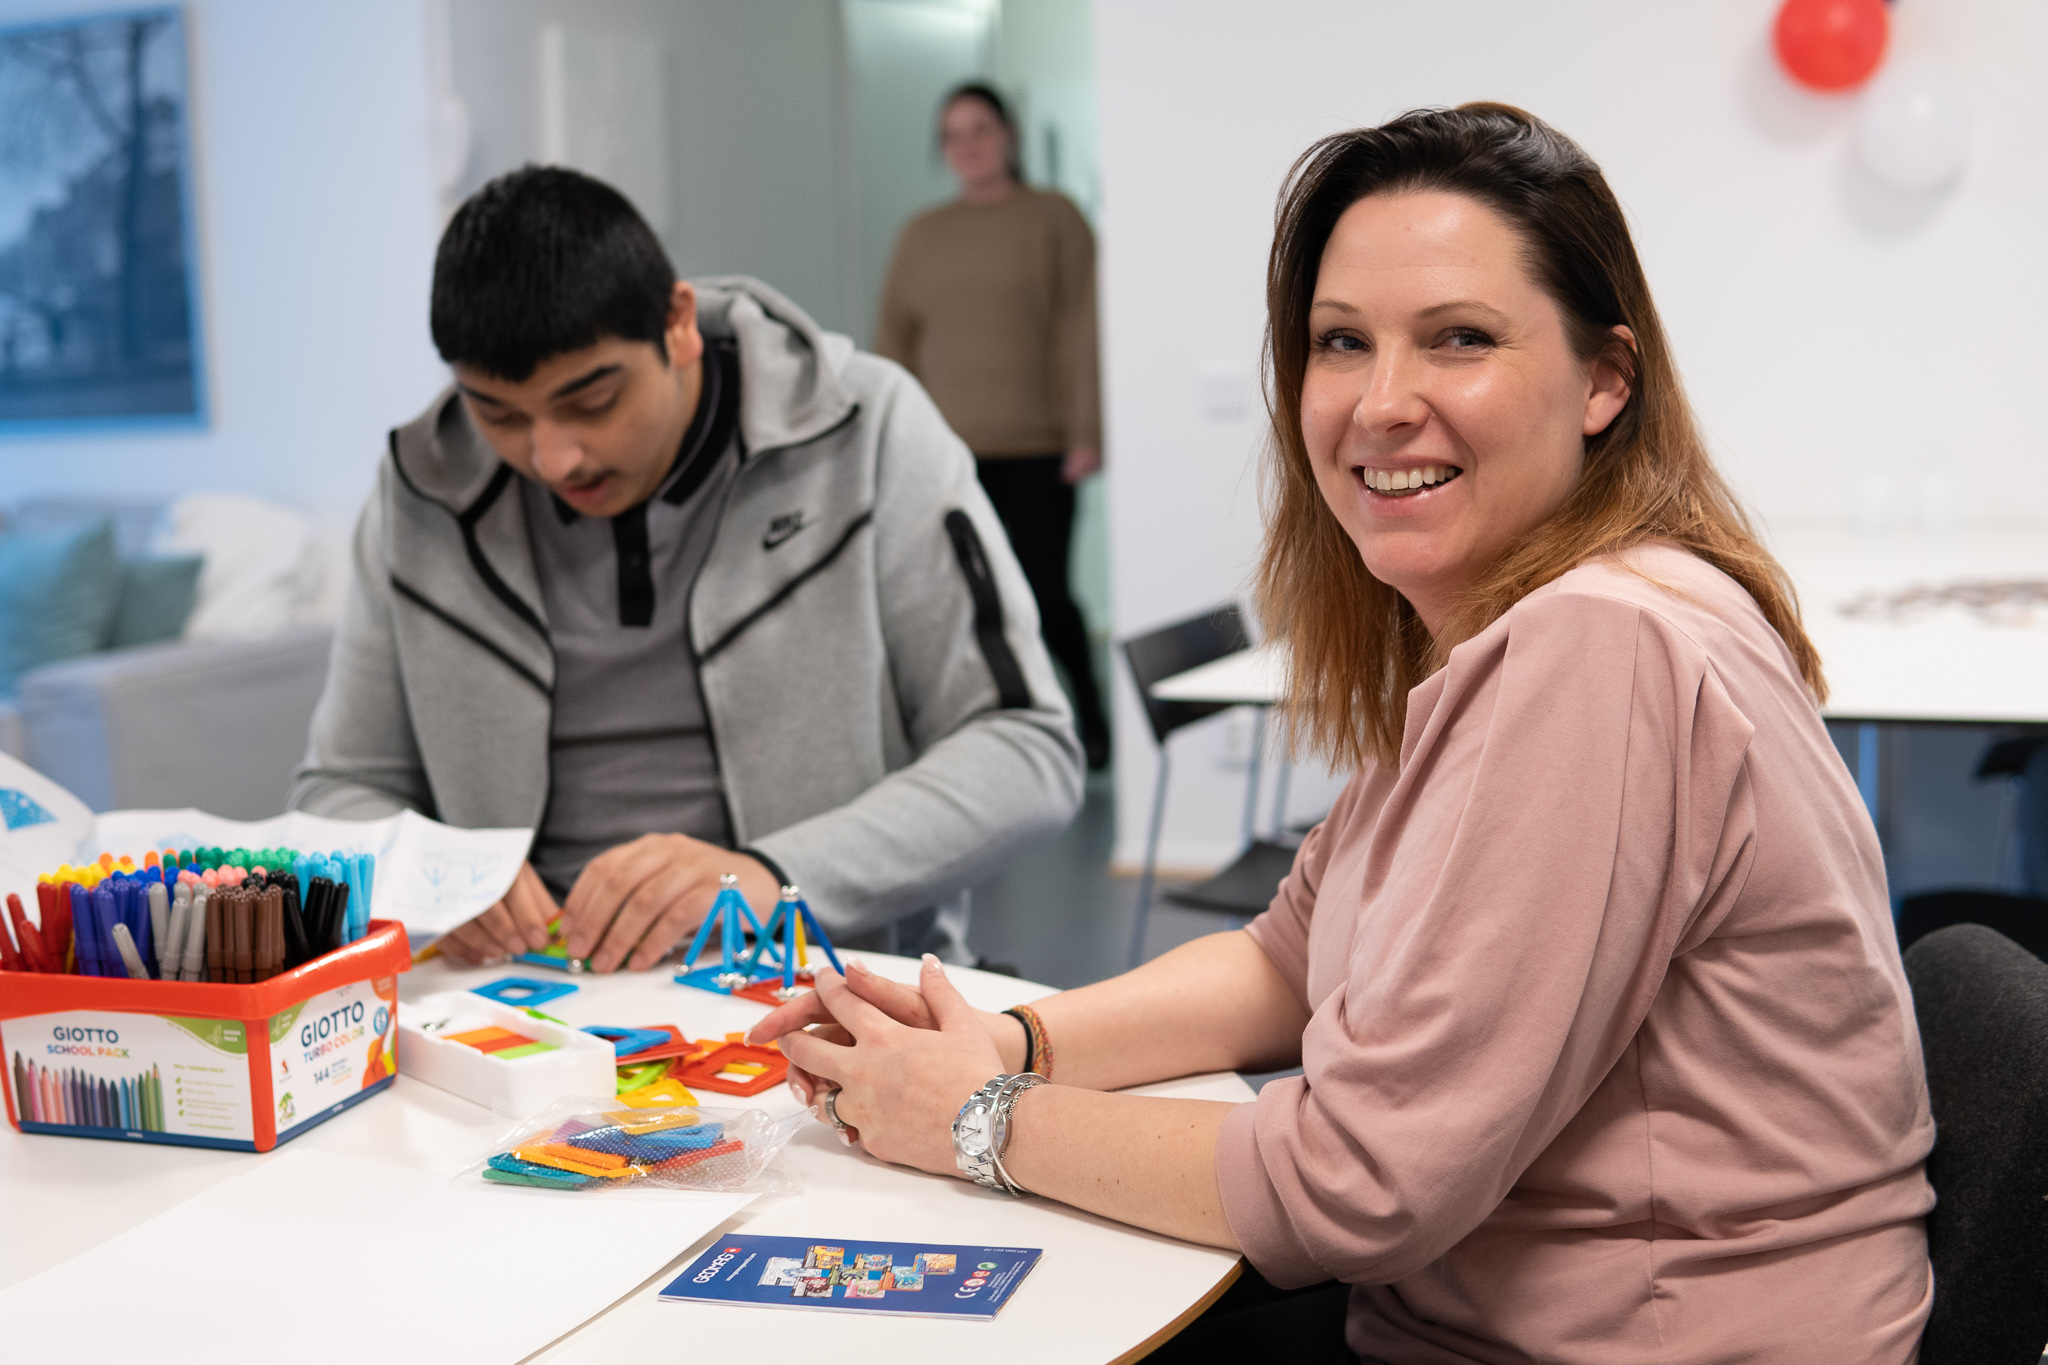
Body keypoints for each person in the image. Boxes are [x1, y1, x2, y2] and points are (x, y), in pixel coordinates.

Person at [753, 105, 1935, 1363]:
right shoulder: (1523, 620)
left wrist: (981, 1115)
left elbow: (1361, 1183)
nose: (1378, 403)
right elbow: (1289, 957)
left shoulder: (1602, 646)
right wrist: (1011, 1040)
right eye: (1338, 343)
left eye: (1458, 340)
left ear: (1604, 380)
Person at [291, 166, 1082, 971]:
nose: (553, 456)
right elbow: (336, 790)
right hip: (513, 1006)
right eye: (497, 412)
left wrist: (772, 877)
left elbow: (1027, 750)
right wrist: (430, 877)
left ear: (677, 325)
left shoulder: (868, 431)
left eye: (591, 401)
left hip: (816, 982)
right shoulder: (420, 487)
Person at [875, 82, 1111, 770]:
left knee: (1041, 594)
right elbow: (893, 342)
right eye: (953, 135)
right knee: (952, 601)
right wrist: (888, 441)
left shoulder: (1055, 218)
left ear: (1008, 134)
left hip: (1040, 446)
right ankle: (984, 736)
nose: (968, 145)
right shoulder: (923, 235)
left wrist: (1086, 429)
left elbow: (1082, 329)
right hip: (946, 454)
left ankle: (1086, 716)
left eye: (980, 129)